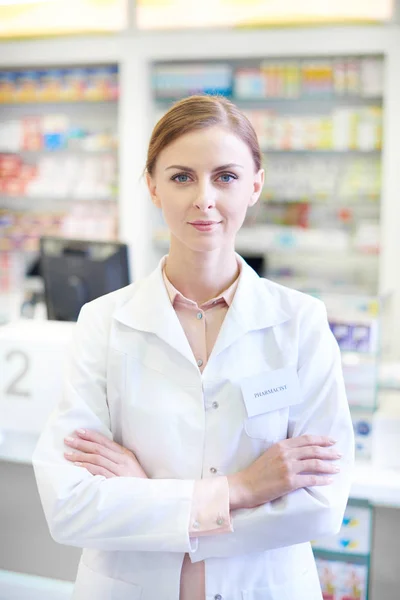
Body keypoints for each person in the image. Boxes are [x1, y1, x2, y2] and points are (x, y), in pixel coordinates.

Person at [32, 95, 354, 600]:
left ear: (255, 185)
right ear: (153, 187)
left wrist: (146, 500)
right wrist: (242, 490)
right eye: (182, 177)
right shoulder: (102, 322)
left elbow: (320, 503)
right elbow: (70, 507)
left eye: (225, 176)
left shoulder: (300, 323)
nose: (204, 198)